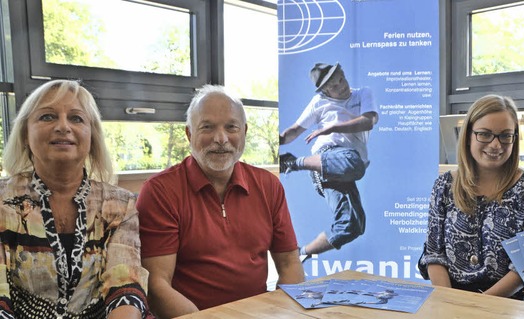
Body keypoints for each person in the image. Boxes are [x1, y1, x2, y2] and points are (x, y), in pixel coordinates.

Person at [137, 84, 305, 318]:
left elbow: (289, 264)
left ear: (244, 131)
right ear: (189, 134)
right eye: (207, 127)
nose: (221, 138)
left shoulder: (269, 186)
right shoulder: (160, 192)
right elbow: (156, 285)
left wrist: (284, 313)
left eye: (231, 127)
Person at [0, 80, 150, 318]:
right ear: (25, 135)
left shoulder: (119, 204)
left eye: (76, 118)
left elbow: (126, 287)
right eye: (47, 117)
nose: (63, 126)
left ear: (92, 138)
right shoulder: (2, 201)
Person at [418, 94, 524, 298]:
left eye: (505, 135)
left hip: (506, 303)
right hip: (449, 298)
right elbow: (434, 254)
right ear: (468, 136)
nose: (496, 145)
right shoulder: (444, 185)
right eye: (485, 134)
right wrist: (450, 303)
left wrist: (481, 306)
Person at [279, 62, 378, 261]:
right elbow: (295, 130)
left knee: (352, 226)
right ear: (324, 90)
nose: (341, 86)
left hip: (346, 167)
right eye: (334, 86)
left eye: (342, 79)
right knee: (355, 164)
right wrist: (277, 141)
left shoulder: (362, 94)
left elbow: (369, 121)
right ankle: (294, 163)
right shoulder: (318, 102)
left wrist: (332, 127)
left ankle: (301, 253)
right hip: (327, 157)